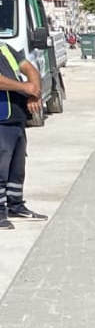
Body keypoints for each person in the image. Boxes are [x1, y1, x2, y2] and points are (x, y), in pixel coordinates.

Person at [0, 40, 47, 230]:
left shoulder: (4, 47)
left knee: (17, 167)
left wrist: (34, 93)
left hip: (16, 116)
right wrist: (24, 87)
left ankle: (15, 205)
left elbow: (30, 70)